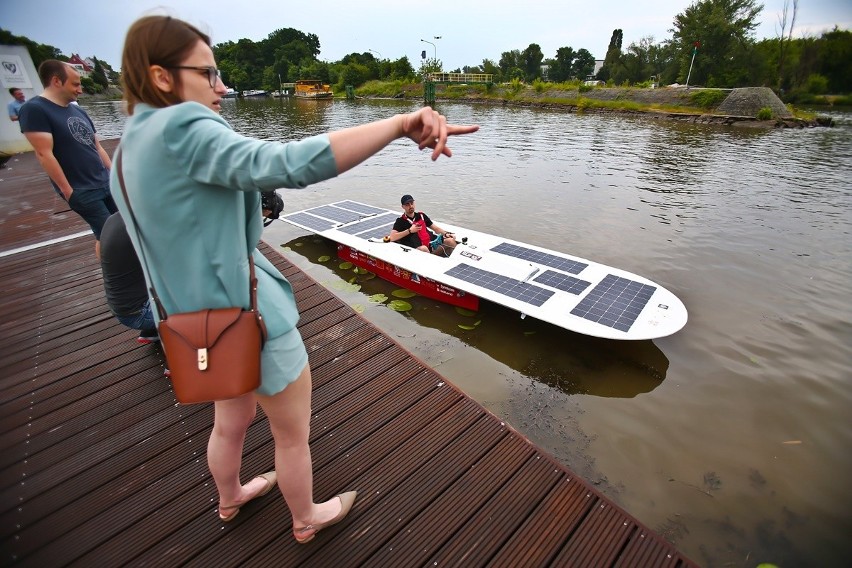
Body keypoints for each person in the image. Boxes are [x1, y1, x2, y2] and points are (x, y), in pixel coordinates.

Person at [114, 15, 477, 543]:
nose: (223, 87)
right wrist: (399, 124)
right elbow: (287, 162)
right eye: (209, 73)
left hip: (196, 324)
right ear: (163, 77)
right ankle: (306, 518)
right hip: (252, 320)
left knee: (229, 420)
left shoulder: (127, 149)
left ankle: (230, 496)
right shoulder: (181, 127)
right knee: (291, 435)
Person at [19, 60, 116, 257]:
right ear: (56, 81)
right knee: (109, 235)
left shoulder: (77, 110)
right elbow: (43, 153)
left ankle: (115, 275)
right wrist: (68, 191)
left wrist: (113, 174)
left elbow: (96, 146)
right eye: (75, 84)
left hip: (104, 181)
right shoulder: (35, 109)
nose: (80, 89)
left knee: (116, 230)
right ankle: (114, 279)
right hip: (82, 189)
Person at [99, 212, 159, 344]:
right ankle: (167, 330)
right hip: (140, 312)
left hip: (123, 308)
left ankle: (153, 331)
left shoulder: (114, 218)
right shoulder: (143, 225)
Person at [387, 194, 458, 256]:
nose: (410, 206)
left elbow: (436, 229)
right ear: (403, 207)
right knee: (424, 248)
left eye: (412, 203)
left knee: (451, 241)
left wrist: (446, 234)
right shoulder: (400, 221)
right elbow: (392, 237)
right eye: (407, 204)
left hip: (431, 245)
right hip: (418, 250)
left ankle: (456, 266)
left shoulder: (421, 216)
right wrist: (409, 231)